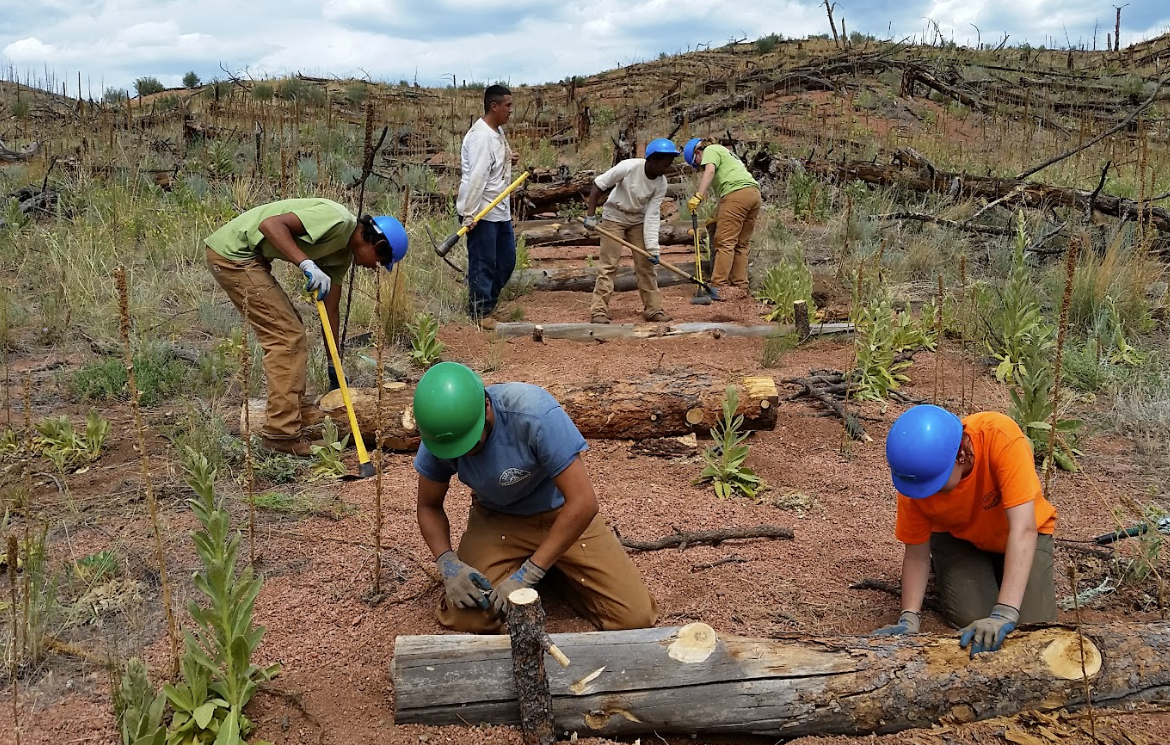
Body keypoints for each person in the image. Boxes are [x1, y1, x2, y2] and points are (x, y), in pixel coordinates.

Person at [412, 361, 658, 633]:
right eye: (457, 450)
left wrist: (530, 573)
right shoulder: (442, 435)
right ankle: (552, 566)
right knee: (468, 618)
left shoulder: (534, 413)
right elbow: (428, 506)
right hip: (498, 519)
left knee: (634, 617)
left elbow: (584, 502)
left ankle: (552, 569)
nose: (466, 454)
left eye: (472, 443)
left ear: (486, 406)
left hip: (562, 516)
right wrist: (447, 562)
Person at [204, 199, 407, 456]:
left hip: (250, 258)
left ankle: (286, 423)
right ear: (377, 245)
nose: (372, 268)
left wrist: (334, 362)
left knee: (290, 332)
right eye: (378, 262)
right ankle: (280, 435)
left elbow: (330, 309)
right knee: (286, 337)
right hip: (233, 255)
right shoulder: (338, 220)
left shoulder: (342, 255)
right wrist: (306, 263)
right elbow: (270, 225)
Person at [872, 405, 1058, 656]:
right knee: (972, 617)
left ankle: (1000, 574)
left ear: (961, 454)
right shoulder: (916, 479)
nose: (927, 493)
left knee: (1035, 627)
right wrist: (909, 619)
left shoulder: (999, 436)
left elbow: (1023, 528)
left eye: (935, 483)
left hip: (1019, 534)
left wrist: (1004, 612)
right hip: (960, 538)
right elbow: (916, 553)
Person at [582, 138, 680, 324]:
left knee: (646, 266)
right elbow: (599, 185)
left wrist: (653, 248)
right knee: (609, 265)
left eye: (670, 162)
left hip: (638, 220)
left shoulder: (661, 183)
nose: (668, 166)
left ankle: (653, 309)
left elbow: (652, 216)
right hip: (614, 217)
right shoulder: (628, 167)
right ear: (653, 159)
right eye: (666, 161)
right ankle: (599, 311)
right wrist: (591, 215)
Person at [457, 84, 520, 331]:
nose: (510, 111)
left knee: (506, 261)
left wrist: (508, 158)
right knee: (483, 263)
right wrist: (470, 214)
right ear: (494, 106)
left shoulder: (498, 132)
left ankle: (488, 304)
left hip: (500, 210)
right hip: (482, 212)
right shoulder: (480, 137)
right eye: (507, 106)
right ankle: (479, 310)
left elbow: (495, 165)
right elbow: (477, 178)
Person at [682, 138, 762, 298]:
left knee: (724, 241)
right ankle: (740, 286)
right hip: (753, 195)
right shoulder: (727, 154)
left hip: (736, 195)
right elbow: (725, 194)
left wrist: (699, 195)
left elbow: (710, 172)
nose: (699, 168)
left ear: (698, 153)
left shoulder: (711, 150)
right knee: (741, 243)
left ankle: (719, 286)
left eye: (696, 164)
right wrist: (716, 216)